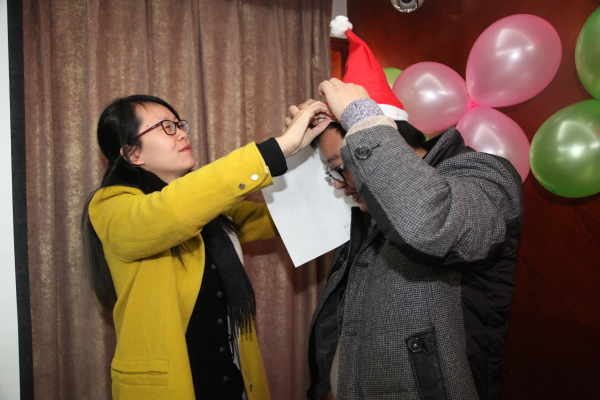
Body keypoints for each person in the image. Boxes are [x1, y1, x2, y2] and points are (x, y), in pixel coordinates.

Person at [304, 17, 524, 400]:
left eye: (344, 166)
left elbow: (429, 223)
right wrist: (290, 149)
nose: (340, 184)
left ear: (387, 138)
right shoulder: (367, 201)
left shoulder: (484, 173)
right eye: (333, 172)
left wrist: (360, 120)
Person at [82, 94, 331, 400]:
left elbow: (281, 217)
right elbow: (169, 212)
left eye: (179, 124)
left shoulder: (209, 208)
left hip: (230, 381)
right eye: (166, 127)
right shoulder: (111, 207)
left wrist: (319, 156)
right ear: (133, 154)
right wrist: (276, 148)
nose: (182, 133)